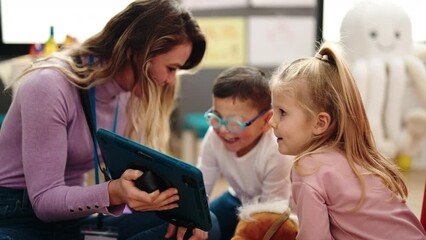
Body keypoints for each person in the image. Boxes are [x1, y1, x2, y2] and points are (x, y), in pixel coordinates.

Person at [0, 0, 220, 239]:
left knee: (204, 224)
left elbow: (139, 182)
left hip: (71, 218)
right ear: (137, 53)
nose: (170, 80)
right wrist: (115, 192)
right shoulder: (48, 85)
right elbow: (45, 202)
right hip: (16, 215)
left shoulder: (130, 94)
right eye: (171, 68)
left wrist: (189, 207)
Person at [268, 41, 426, 239]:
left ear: (320, 123)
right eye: (272, 110)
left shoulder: (307, 167)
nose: (272, 122)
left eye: (282, 112)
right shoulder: (349, 154)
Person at [197, 66, 293, 240]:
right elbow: (201, 187)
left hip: (279, 211)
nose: (224, 130)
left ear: (266, 121)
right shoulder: (213, 136)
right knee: (206, 224)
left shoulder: (277, 153)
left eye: (234, 123)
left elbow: (270, 217)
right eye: (216, 117)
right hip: (238, 199)